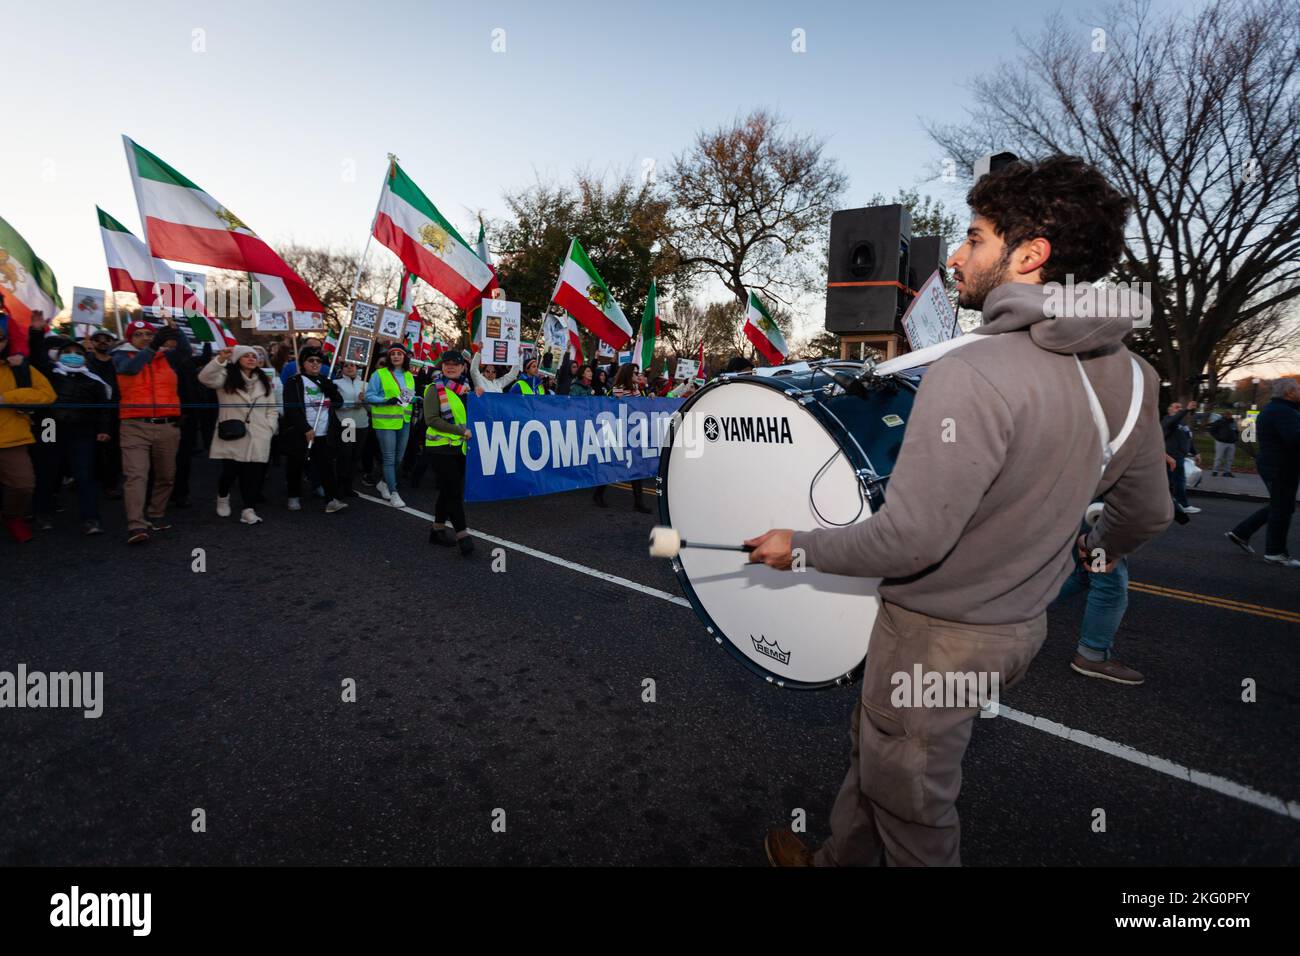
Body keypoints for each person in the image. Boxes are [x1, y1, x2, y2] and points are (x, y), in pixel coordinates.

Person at [750, 155, 1172, 867]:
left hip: (935, 638)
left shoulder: (973, 371)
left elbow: (910, 539)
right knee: (881, 758)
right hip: (1018, 631)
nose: (956, 255)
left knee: (913, 802)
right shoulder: (1136, 376)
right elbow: (1148, 513)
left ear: (1030, 255)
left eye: (975, 238)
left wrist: (799, 545)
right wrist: (1088, 548)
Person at [112, 318, 192, 545]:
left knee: (167, 475)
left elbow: (185, 351)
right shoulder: (120, 356)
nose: (145, 337)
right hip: (134, 425)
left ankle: (156, 514)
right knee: (136, 475)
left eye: (149, 334)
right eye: (139, 335)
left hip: (167, 425)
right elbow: (131, 369)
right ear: (130, 339)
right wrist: (153, 346)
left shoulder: (168, 357)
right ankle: (136, 524)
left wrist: (177, 333)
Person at [27, 326, 113, 535]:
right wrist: (37, 332)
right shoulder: (49, 374)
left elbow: (103, 409)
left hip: (81, 432)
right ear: (57, 356)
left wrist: (103, 429)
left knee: (85, 475)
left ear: (85, 358)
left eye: (78, 353)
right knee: (47, 473)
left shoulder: (94, 381)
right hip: (50, 428)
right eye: (67, 353)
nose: (73, 356)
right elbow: (36, 357)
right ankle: (42, 514)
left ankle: (91, 519)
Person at [198, 345, 280, 524]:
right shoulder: (226, 378)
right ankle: (223, 496)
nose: (252, 358)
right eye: (246, 356)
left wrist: (269, 428)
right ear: (236, 359)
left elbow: (272, 409)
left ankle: (248, 509)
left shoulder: (264, 380)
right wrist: (220, 360)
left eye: (254, 356)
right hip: (233, 432)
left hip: (259, 433)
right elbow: (204, 378)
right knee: (230, 472)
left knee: (254, 475)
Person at [1226, 377, 1300, 567]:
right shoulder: (1283, 412)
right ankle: (1275, 552)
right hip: (1280, 466)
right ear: (1289, 392)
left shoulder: (1279, 409)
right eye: (1298, 388)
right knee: (1282, 507)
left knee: (1281, 505)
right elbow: (1295, 440)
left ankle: (1242, 532)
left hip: (1275, 464)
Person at [0, 317, 56, 542]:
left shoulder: (20, 368)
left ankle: (13, 517)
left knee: (23, 485)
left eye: (0, 339)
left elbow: (48, 395)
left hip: (12, 440)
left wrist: (8, 398)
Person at [282, 347, 348, 514]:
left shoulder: (325, 381)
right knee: (296, 464)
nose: (315, 364)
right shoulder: (294, 382)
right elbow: (291, 409)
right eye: (311, 360)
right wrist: (305, 428)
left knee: (326, 466)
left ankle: (331, 499)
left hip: (323, 432)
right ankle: (293, 495)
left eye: (318, 361)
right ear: (303, 363)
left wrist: (330, 389)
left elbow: (338, 403)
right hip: (301, 432)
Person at [423, 350, 475, 556]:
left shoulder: (465, 391)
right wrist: (460, 431)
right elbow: (432, 420)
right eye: (447, 364)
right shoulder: (434, 389)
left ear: (463, 367)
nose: (450, 367)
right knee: (453, 492)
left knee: (447, 490)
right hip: (440, 449)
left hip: (459, 449)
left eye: (455, 364)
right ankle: (463, 535)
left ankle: (437, 530)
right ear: (441, 366)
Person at [594, 364, 652, 513]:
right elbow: (608, 407)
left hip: (633, 434)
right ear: (627, 374)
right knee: (613, 464)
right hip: (619, 433)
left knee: (636, 467)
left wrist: (649, 398)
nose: (637, 375)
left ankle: (638, 502)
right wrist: (616, 400)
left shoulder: (637, 390)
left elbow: (640, 408)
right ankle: (598, 494)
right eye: (635, 372)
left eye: (638, 372)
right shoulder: (618, 388)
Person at [366, 343, 416, 508]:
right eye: (393, 354)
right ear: (389, 357)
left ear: (404, 357)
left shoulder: (409, 375)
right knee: (389, 457)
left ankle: (383, 482)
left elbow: (407, 397)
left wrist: (417, 399)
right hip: (385, 421)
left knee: (398, 458)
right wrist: (385, 400)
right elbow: (369, 396)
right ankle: (394, 493)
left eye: (399, 354)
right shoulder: (379, 374)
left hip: (404, 421)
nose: (395, 356)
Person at [86, 329, 121, 498]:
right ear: (92, 342)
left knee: (113, 451)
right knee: (90, 450)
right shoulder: (86, 362)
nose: (102, 342)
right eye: (98, 339)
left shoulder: (117, 363)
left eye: (106, 339)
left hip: (114, 411)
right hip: (90, 411)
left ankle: (110, 485)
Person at [333, 359, 369, 498]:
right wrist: (352, 404)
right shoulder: (337, 384)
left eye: (352, 365)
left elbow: (370, 408)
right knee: (345, 455)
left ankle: (349, 486)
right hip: (347, 423)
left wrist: (365, 400)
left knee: (355, 456)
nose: (349, 368)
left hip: (362, 424)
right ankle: (339, 486)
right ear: (342, 369)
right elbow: (336, 403)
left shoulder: (365, 384)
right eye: (346, 365)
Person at [1161, 400, 1201, 514]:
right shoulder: (1167, 421)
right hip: (1171, 456)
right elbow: (1172, 421)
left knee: (1173, 482)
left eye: (1180, 407)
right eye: (1176, 407)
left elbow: (1188, 439)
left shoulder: (1183, 424)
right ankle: (1182, 504)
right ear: (1169, 410)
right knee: (1178, 481)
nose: (1179, 409)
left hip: (1179, 457)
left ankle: (1170, 505)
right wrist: (1187, 409)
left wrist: (1195, 452)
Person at [1208, 412, 1239, 477]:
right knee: (1219, 457)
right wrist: (1218, 437)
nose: (1229, 416)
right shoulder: (1219, 422)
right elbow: (1211, 430)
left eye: (1230, 415)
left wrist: (1236, 438)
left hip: (1231, 443)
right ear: (1224, 415)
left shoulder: (1233, 422)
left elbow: (1236, 431)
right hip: (1221, 442)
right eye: (1227, 414)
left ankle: (1227, 472)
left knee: (1230, 458)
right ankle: (1215, 471)